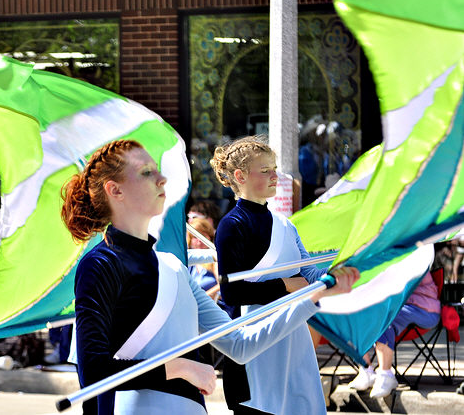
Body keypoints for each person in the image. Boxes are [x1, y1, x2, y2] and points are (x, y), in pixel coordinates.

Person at [61, 139, 358, 415]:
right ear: (116, 191)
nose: (161, 179)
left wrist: (314, 297)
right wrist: (178, 368)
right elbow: (94, 372)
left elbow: (241, 344)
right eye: (146, 172)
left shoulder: (173, 267)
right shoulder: (100, 264)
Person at [210, 135, 330, 415]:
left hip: (292, 335)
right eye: (265, 170)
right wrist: (286, 285)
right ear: (240, 176)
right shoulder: (231, 225)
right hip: (254, 339)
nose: (275, 175)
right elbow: (231, 292)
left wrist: (348, 269)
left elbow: (309, 273)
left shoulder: (285, 224)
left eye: (274, 168)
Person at [349, 270, 440, 398]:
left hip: (423, 309)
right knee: (354, 316)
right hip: (398, 306)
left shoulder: (414, 253)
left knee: (383, 317)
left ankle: (386, 375)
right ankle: (366, 370)